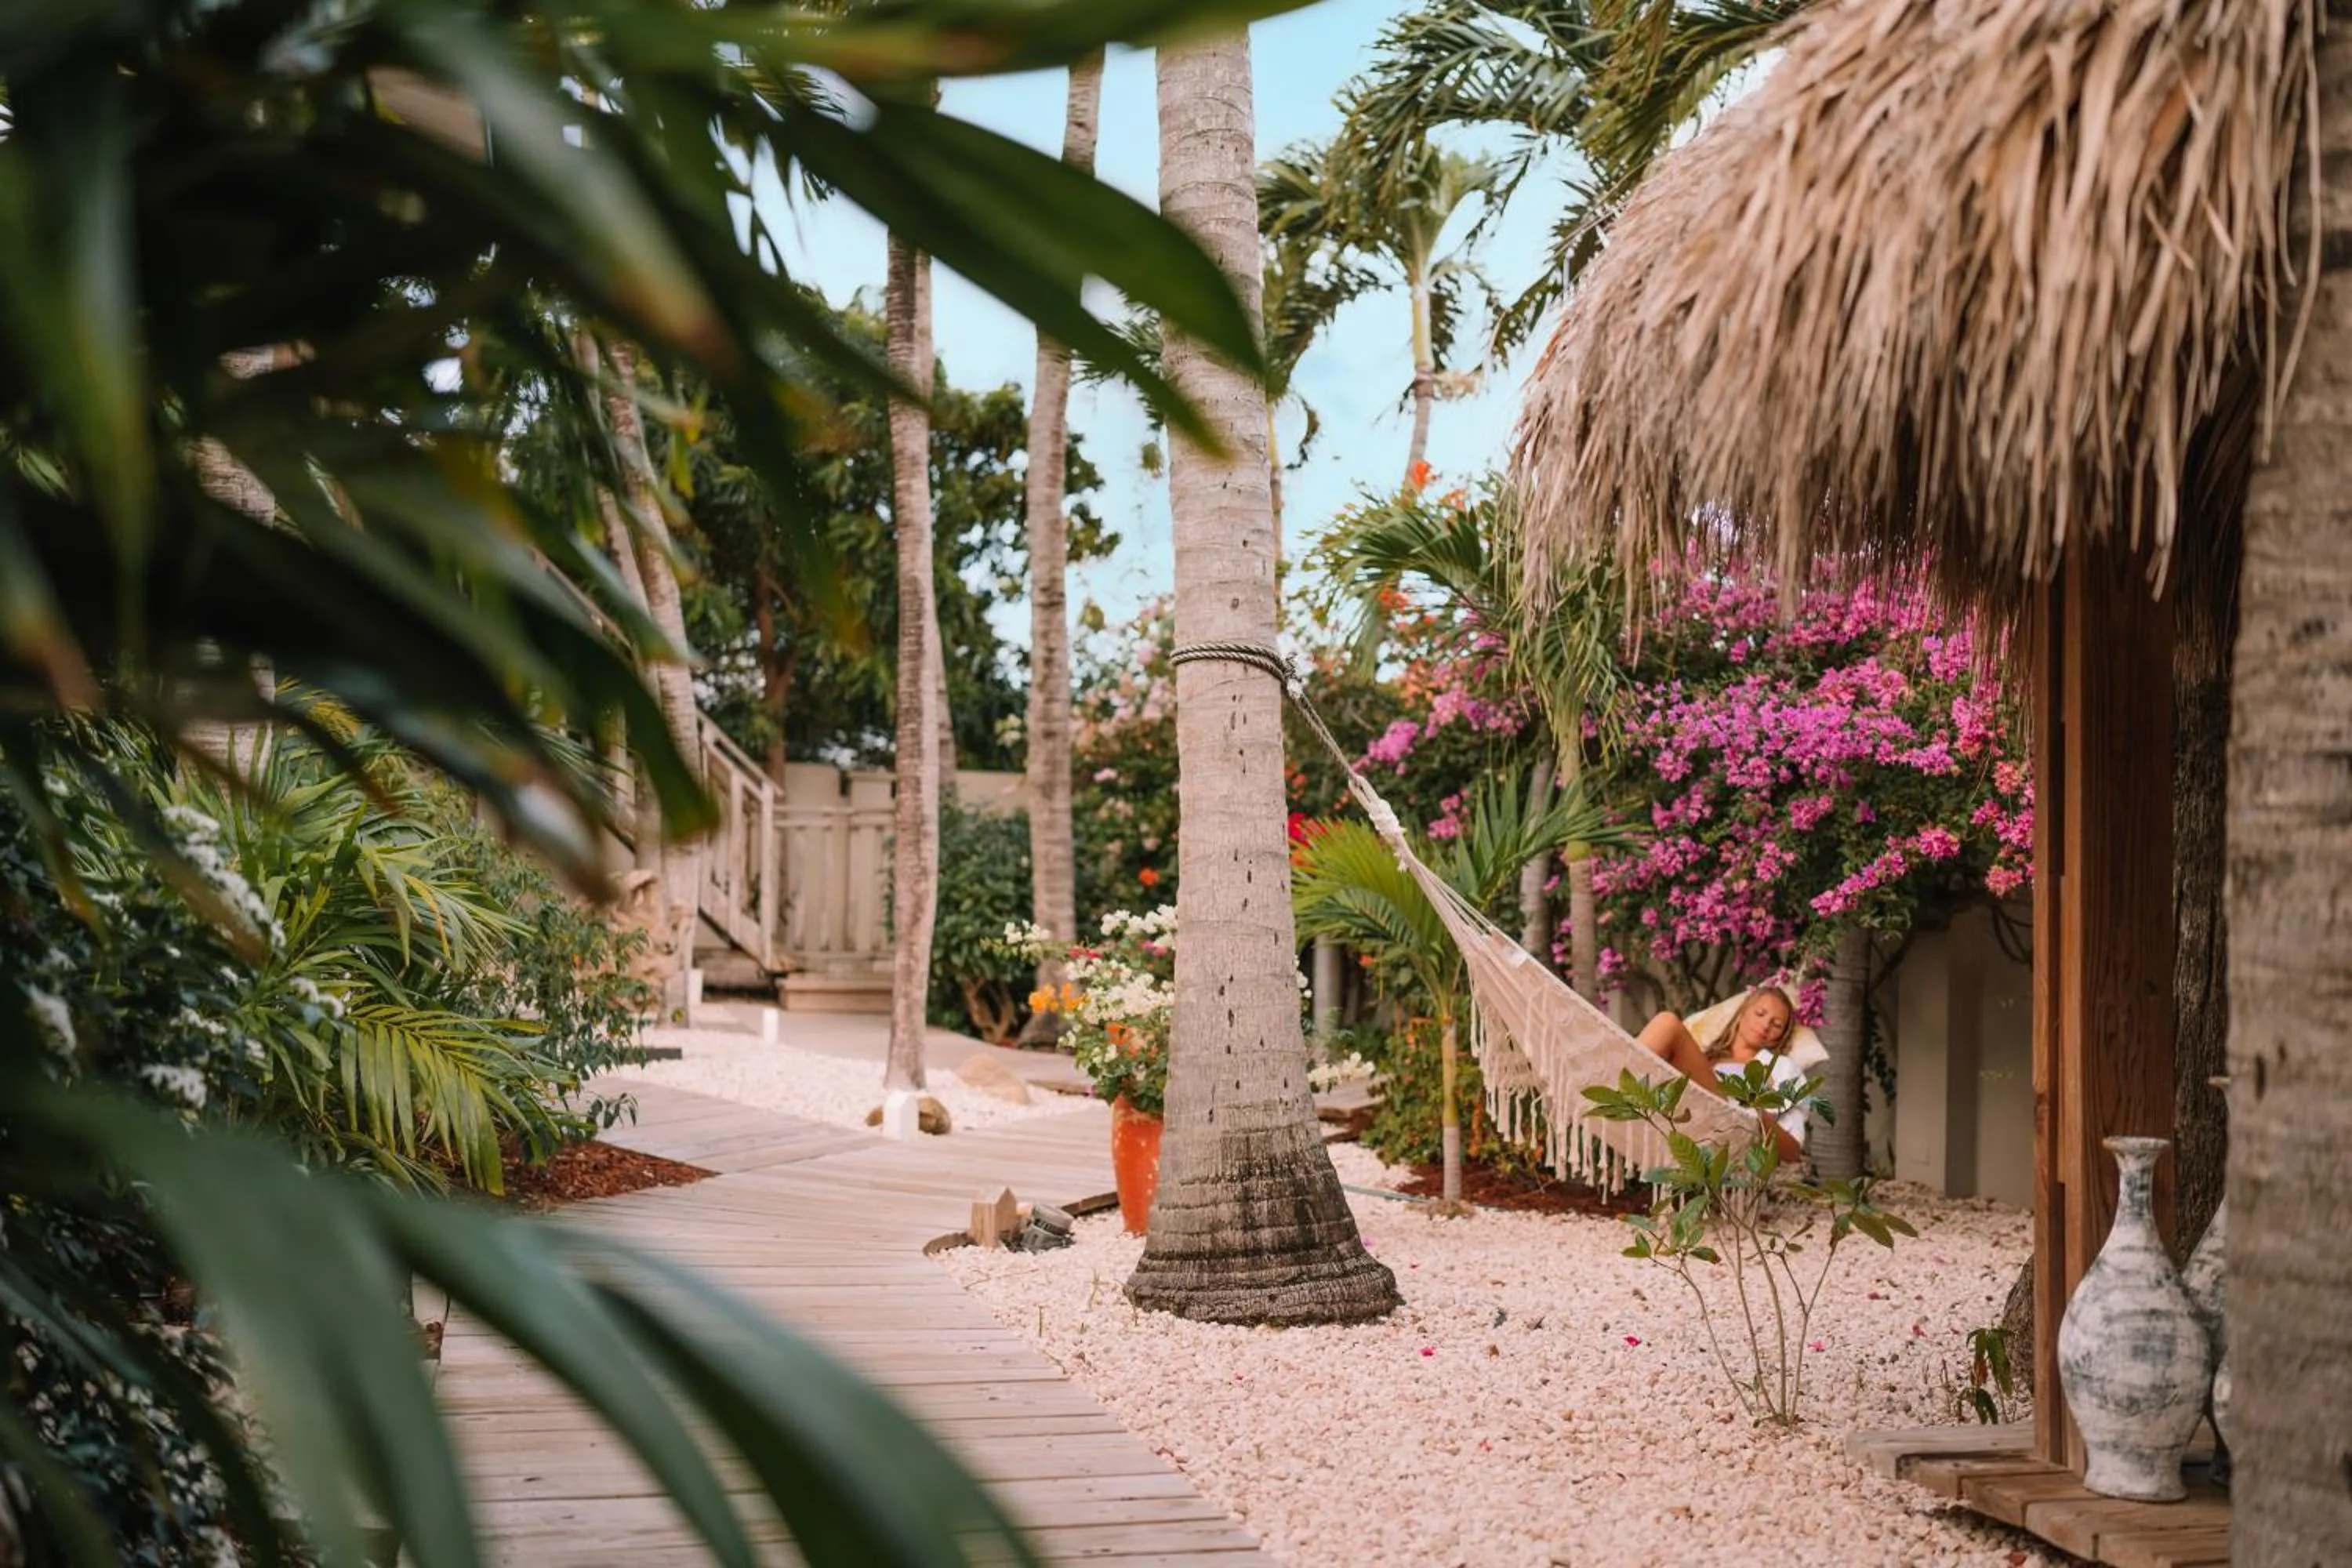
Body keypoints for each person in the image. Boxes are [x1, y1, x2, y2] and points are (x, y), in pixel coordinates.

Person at [1636, 986, 1809, 1165]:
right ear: (1742, 1012)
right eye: (1760, 1013)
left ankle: (1616, 1089)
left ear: (1782, 1035)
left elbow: (1793, 1151)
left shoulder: (1782, 1066)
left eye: (1777, 1025)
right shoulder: (1706, 1058)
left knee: (1668, 1023)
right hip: (1677, 1113)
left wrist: (1755, 1112)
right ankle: (1623, 1089)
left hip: (1728, 1124)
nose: (1765, 1025)